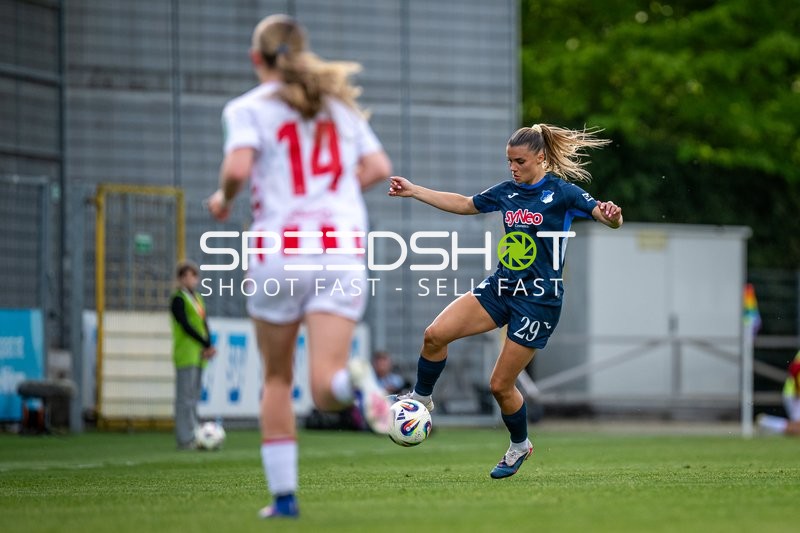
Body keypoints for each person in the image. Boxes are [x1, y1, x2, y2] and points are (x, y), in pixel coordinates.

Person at [205, 14, 393, 519]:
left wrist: (223, 199)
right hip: (340, 247)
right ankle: (355, 384)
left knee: (276, 379)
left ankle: (285, 500)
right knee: (325, 388)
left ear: (256, 58)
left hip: (279, 251)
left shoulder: (247, 109)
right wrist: (335, 190)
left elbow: (238, 169)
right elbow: (379, 169)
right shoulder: (340, 107)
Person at [388, 123, 623, 478]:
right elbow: (467, 204)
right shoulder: (507, 192)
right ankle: (421, 399)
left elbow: (605, 218)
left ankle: (519, 445)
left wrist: (613, 217)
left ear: (541, 158)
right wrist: (414, 191)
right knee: (435, 334)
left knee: (500, 385)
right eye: (509, 161)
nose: (513, 168)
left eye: (519, 161)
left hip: (538, 301)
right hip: (502, 287)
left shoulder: (563, 193)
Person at [170, 260, 216, 450]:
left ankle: (194, 433)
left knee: (193, 396)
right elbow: (186, 325)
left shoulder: (197, 298)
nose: (190, 279)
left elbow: (204, 322)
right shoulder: (178, 299)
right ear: (180, 279)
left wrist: (209, 345)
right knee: (185, 398)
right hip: (186, 352)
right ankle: (185, 437)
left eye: (193, 275)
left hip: (198, 353)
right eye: (186, 276)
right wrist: (204, 342)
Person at [756, 350, 800, 436]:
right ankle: (767, 423)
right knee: (797, 428)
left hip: (793, 392)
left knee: (797, 428)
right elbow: (795, 369)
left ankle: (767, 423)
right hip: (795, 394)